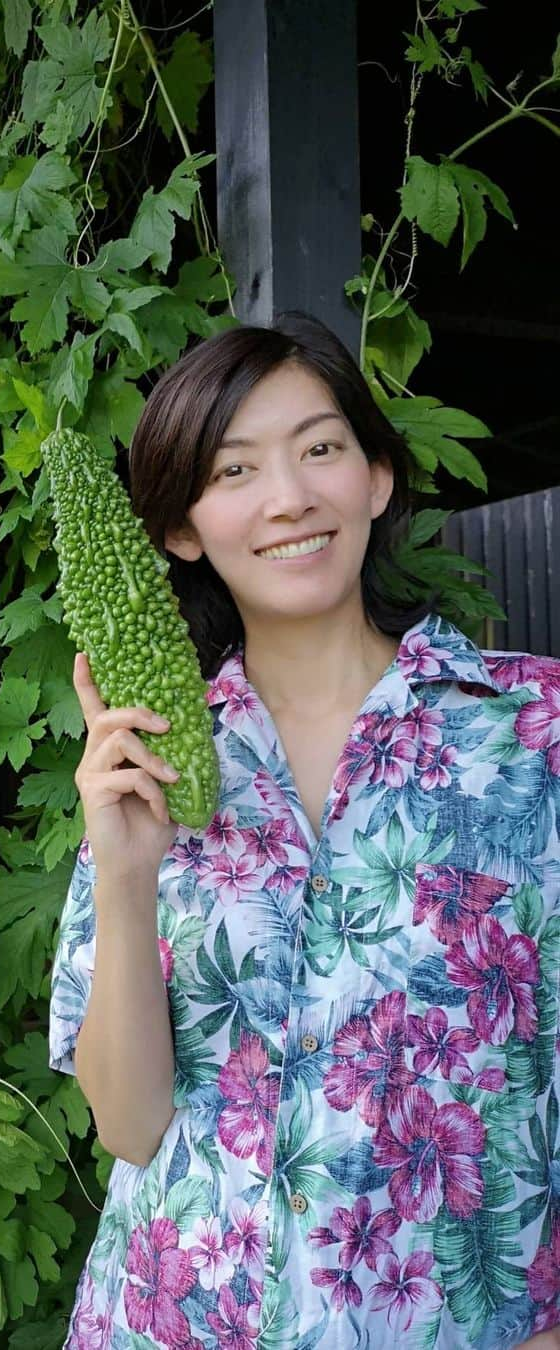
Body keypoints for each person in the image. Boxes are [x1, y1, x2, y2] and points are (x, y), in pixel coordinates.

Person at [48, 313, 560, 1350]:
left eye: (321, 448)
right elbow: (132, 1126)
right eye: (234, 470)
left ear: (376, 478)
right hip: (170, 1320)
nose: (289, 498)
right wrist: (126, 874)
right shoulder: (151, 764)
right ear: (182, 528)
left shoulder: (532, 737)